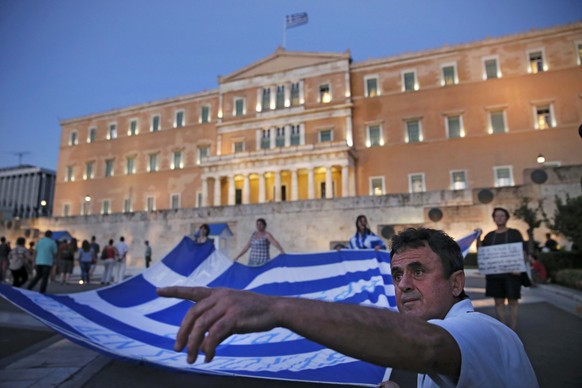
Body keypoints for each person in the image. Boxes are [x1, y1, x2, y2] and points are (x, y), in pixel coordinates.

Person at [157, 228, 537, 387]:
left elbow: (428, 346)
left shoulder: (482, 331)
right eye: (398, 273)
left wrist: (276, 308)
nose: (404, 284)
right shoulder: (445, 338)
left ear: (457, 283)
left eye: (419, 271)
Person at [479, 207, 525, 331]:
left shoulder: (515, 233)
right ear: (493, 218)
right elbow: (482, 252)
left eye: (502, 215)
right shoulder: (489, 236)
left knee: (513, 301)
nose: (499, 218)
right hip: (495, 276)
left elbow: (522, 251)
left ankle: (513, 327)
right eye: (497, 216)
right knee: (498, 302)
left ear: (507, 218)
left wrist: (520, 267)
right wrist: (478, 236)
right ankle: (504, 328)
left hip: (512, 274)